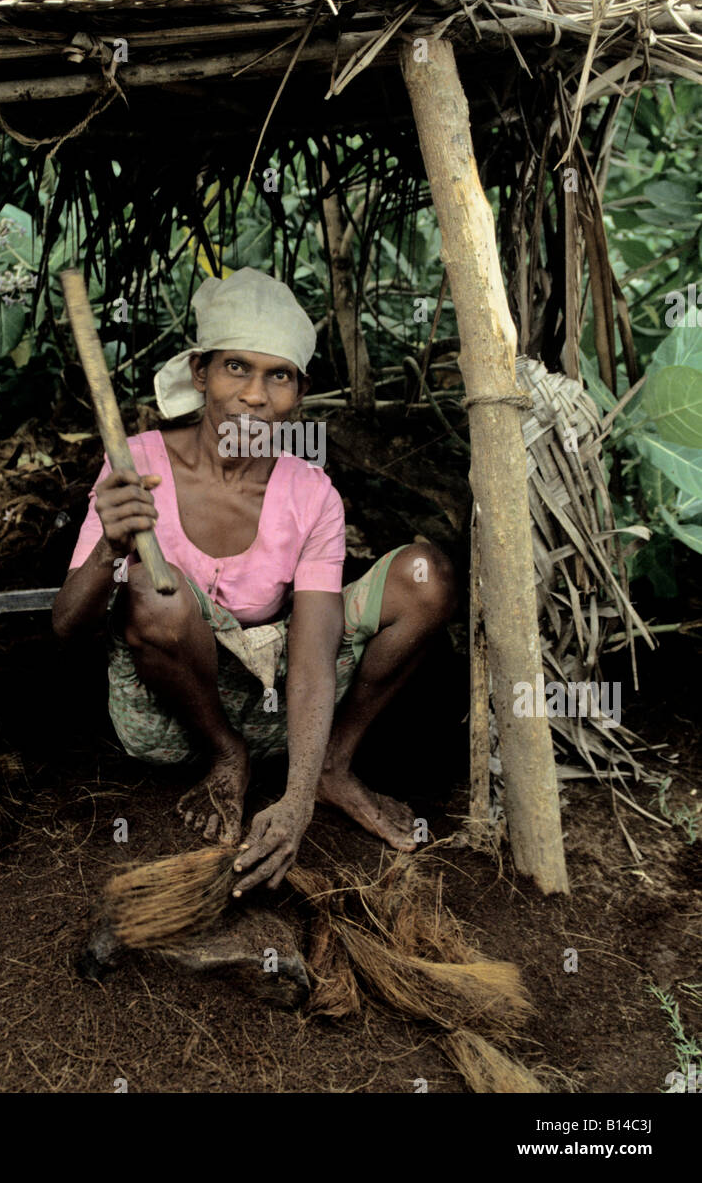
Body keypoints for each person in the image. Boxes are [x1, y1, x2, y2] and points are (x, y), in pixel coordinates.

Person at [53, 268, 456, 897]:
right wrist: (110, 545)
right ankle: (225, 756)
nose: (255, 395)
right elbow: (65, 627)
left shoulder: (310, 493)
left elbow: (317, 646)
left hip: (280, 708)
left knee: (426, 576)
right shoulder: (138, 465)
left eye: (279, 375)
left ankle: (330, 767)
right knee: (157, 592)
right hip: (169, 717)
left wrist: (295, 800)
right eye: (235, 367)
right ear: (200, 375)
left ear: (300, 392)